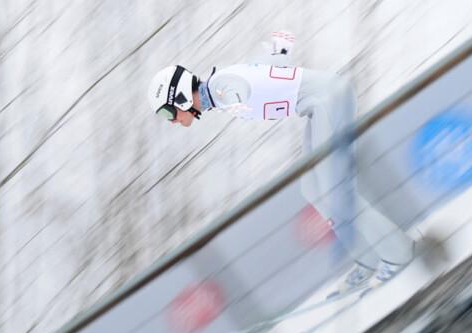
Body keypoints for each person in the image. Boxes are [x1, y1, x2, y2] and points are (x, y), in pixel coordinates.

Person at [147, 31, 415, 295]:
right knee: (312, 188)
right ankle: (366, 259)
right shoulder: (219, 84)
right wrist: (279, 51)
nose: (171, 119)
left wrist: (235, 103)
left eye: (168, 111)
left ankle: (398, 252)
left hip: (330, 100)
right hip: (318, 106)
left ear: (181, 96)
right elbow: (264, 70)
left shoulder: (220, 87)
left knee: (337, 191)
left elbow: (236, 89)